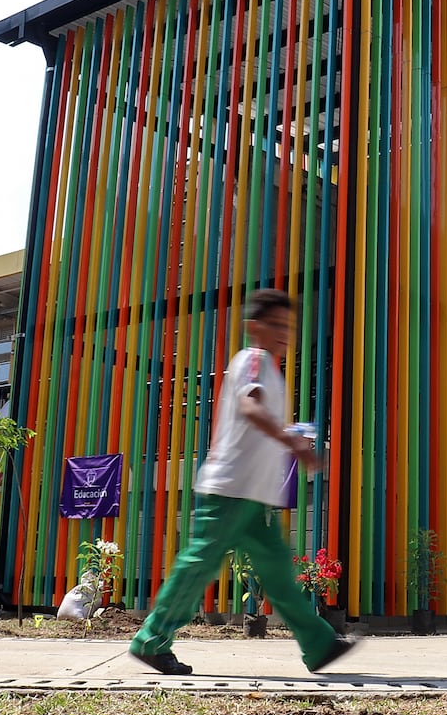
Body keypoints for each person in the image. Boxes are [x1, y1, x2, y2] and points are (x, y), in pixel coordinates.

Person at [129, 288, 356, 675]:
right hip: (230, 489)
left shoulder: (271, 370)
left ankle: (318, 646)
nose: (286, 332)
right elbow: (251, 406)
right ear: (254, 327)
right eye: (276, 324)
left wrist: (290, 435)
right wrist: (292, 442)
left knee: (279, 574)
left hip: (253, 496)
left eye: (289, 326)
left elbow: (258, 419)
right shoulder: (253, 360)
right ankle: (150, 640)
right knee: (198, 565)